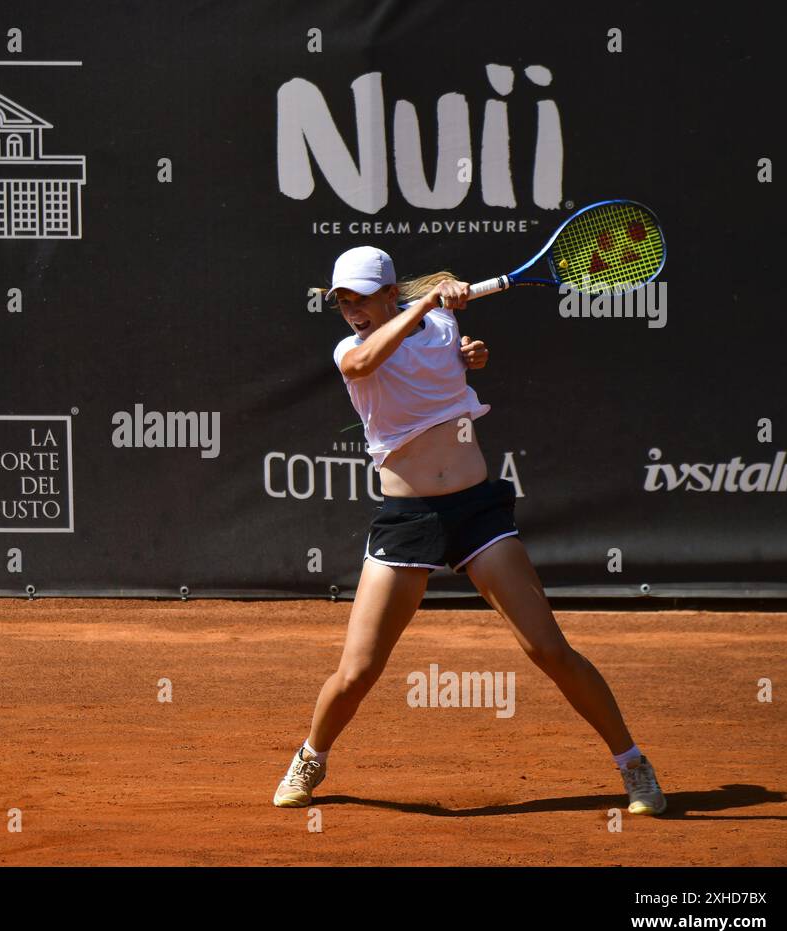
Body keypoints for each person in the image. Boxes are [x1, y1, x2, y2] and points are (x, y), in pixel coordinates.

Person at [273, 246, 667, 815]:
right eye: (344, 302)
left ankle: (633, 765)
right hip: (407, 521)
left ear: (390, 292)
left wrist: (466, 355)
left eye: (364, 298)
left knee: (549, 651)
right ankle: (312, 754)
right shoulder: (352, 349)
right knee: (357, 671)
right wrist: (431, 303)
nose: (354, 311)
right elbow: (368, 364)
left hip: (476, 513)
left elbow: (439, 357)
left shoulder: (439, 323)